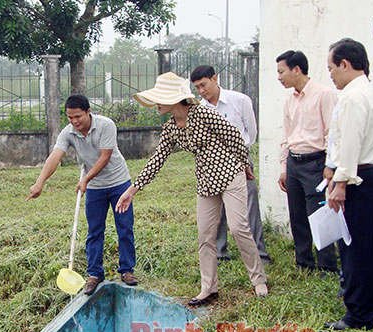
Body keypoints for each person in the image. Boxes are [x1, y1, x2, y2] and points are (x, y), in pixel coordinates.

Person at [114, 72, 267, 306]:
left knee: (238, 228)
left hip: (230, 173)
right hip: (206, 181)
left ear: (175, 98)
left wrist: (245, 165)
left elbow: (234, 137)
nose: (156, 103)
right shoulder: (170, 128)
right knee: (205, 235)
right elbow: (157, 160)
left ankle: (258, 280)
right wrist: (132, 190)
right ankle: (209, 288)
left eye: (160, 98)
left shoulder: (203, 113)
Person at [27, 94, 138, 295]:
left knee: (124, 227)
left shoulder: (106, 125)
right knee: (94, 230)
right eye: (70, 117)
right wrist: (39, 182)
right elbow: (55, 157)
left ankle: (127, 270)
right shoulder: (68, 132)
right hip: (95, 188)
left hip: (119, 183)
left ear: (88, 112)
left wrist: (85, 179)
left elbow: (105, 157)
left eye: (78, 116)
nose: (74, 121)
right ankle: (95, 274)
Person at [323, 38, 373, 331]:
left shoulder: (352, 98)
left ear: (345, 64)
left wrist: (340, 184)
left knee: (355, 247)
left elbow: (350, 144)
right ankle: (371, 304)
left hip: (358, 178)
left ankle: (359, 313)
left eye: (331, 68)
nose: (330, 75)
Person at [190, 65, 272, 265]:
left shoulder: (240, 101)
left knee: (249, 206)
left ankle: (259, 253)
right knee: (216, 208)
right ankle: (220, 252)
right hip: (212, 164)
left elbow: (251, 133)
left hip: (239, 160)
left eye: (204, 85)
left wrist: (239, 155)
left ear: (215, 79)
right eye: (197, 88)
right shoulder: (199, 109)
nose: (201, 91)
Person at [276, 50, 339, 273]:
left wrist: (329, 166)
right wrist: (284, 167)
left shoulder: (324, 94)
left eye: (281, 71)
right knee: (297, 215)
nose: (279, 77)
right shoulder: (289, 100)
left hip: (315, 163)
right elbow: (286, 136)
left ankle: (327, 266)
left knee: (319, 214)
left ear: (297, 69)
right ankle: (304, 263)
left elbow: (332, 133)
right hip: (294, 161)